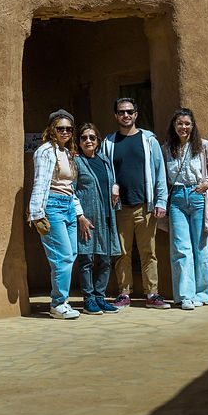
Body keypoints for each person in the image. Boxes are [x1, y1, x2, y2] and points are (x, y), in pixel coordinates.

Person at [99, 97, 169, 308]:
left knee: (149, 252)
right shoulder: (109, 143)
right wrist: (112, 186)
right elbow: (104, 172)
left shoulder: (149, 141)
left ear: (136, 114)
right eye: (121, 112)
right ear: (116, 116)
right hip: (120, 208)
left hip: (145, 206)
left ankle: (152, 294)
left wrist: (161, 201)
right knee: (122, 254)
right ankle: (123, 293)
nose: (126, 115)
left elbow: (160, 173)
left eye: (129, 111)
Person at [27, 110, 88, 321]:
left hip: (69, 207)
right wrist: (36, 213)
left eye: (68, 129)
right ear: (52, 129)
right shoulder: (46, 151)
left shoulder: (68, 153)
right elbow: (41, 183)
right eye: (60, 128)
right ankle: (58, 303)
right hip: (52, 207)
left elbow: (70, 187)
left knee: (70, 256)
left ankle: (61, 301)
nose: (65, 132)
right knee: (61, 257)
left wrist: (79, 213)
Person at [163, 107, 208, 310]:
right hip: (177, 197)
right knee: (181, 248)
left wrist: (207, 182)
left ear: (192, 126)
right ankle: (185, 295)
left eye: (187, 123)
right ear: (174, 126)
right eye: (180, 123)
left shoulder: (203, 146)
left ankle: (202, 293)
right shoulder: (167, 148)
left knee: (201, 248)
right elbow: (162, 177)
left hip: (198, 197)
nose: (183, 127)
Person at [75, 125, 121, 314]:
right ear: (79, 142)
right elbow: (72, 190)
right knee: (86, 260)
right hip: (87, 219)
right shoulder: (76, 162)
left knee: (105, 260)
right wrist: (80, 216)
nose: (88, 141)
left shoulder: (104, 161)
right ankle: (88, 300)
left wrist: (115, 185)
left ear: (98, 141)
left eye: (92, 137)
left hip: (107, 216)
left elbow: (111, 181)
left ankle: (100, 297)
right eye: (84, 137)